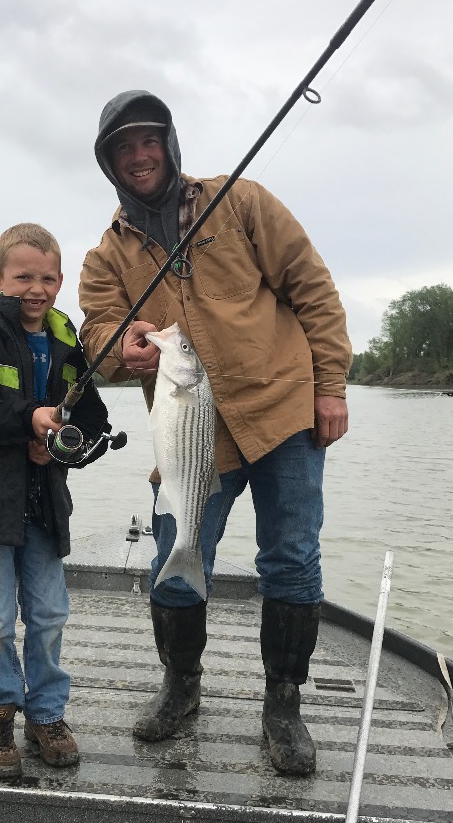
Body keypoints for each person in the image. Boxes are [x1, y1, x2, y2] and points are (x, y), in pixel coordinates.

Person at [78, 91, 352, 776]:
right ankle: (181, 686)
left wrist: (332, 386)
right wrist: (124, 346)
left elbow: (312, 288)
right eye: (123, 147)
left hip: (283, 408)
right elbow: (96, 328)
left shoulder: (242, 200)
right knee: (176, 551)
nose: (139, 156)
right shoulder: (106, 253)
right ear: (109, 162)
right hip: (190, 428)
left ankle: (283, 705)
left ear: (169, 143)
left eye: (148, 140)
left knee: (290, 557)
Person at [0, 222, 110, 780]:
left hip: (43, 506)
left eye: (46, 278)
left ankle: (47, 715)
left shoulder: (69, 343)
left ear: (60, 281)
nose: (35, 289)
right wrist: (27, 424)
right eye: (22, 277)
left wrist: (60, 450)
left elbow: (93, 422)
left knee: (49, 615)